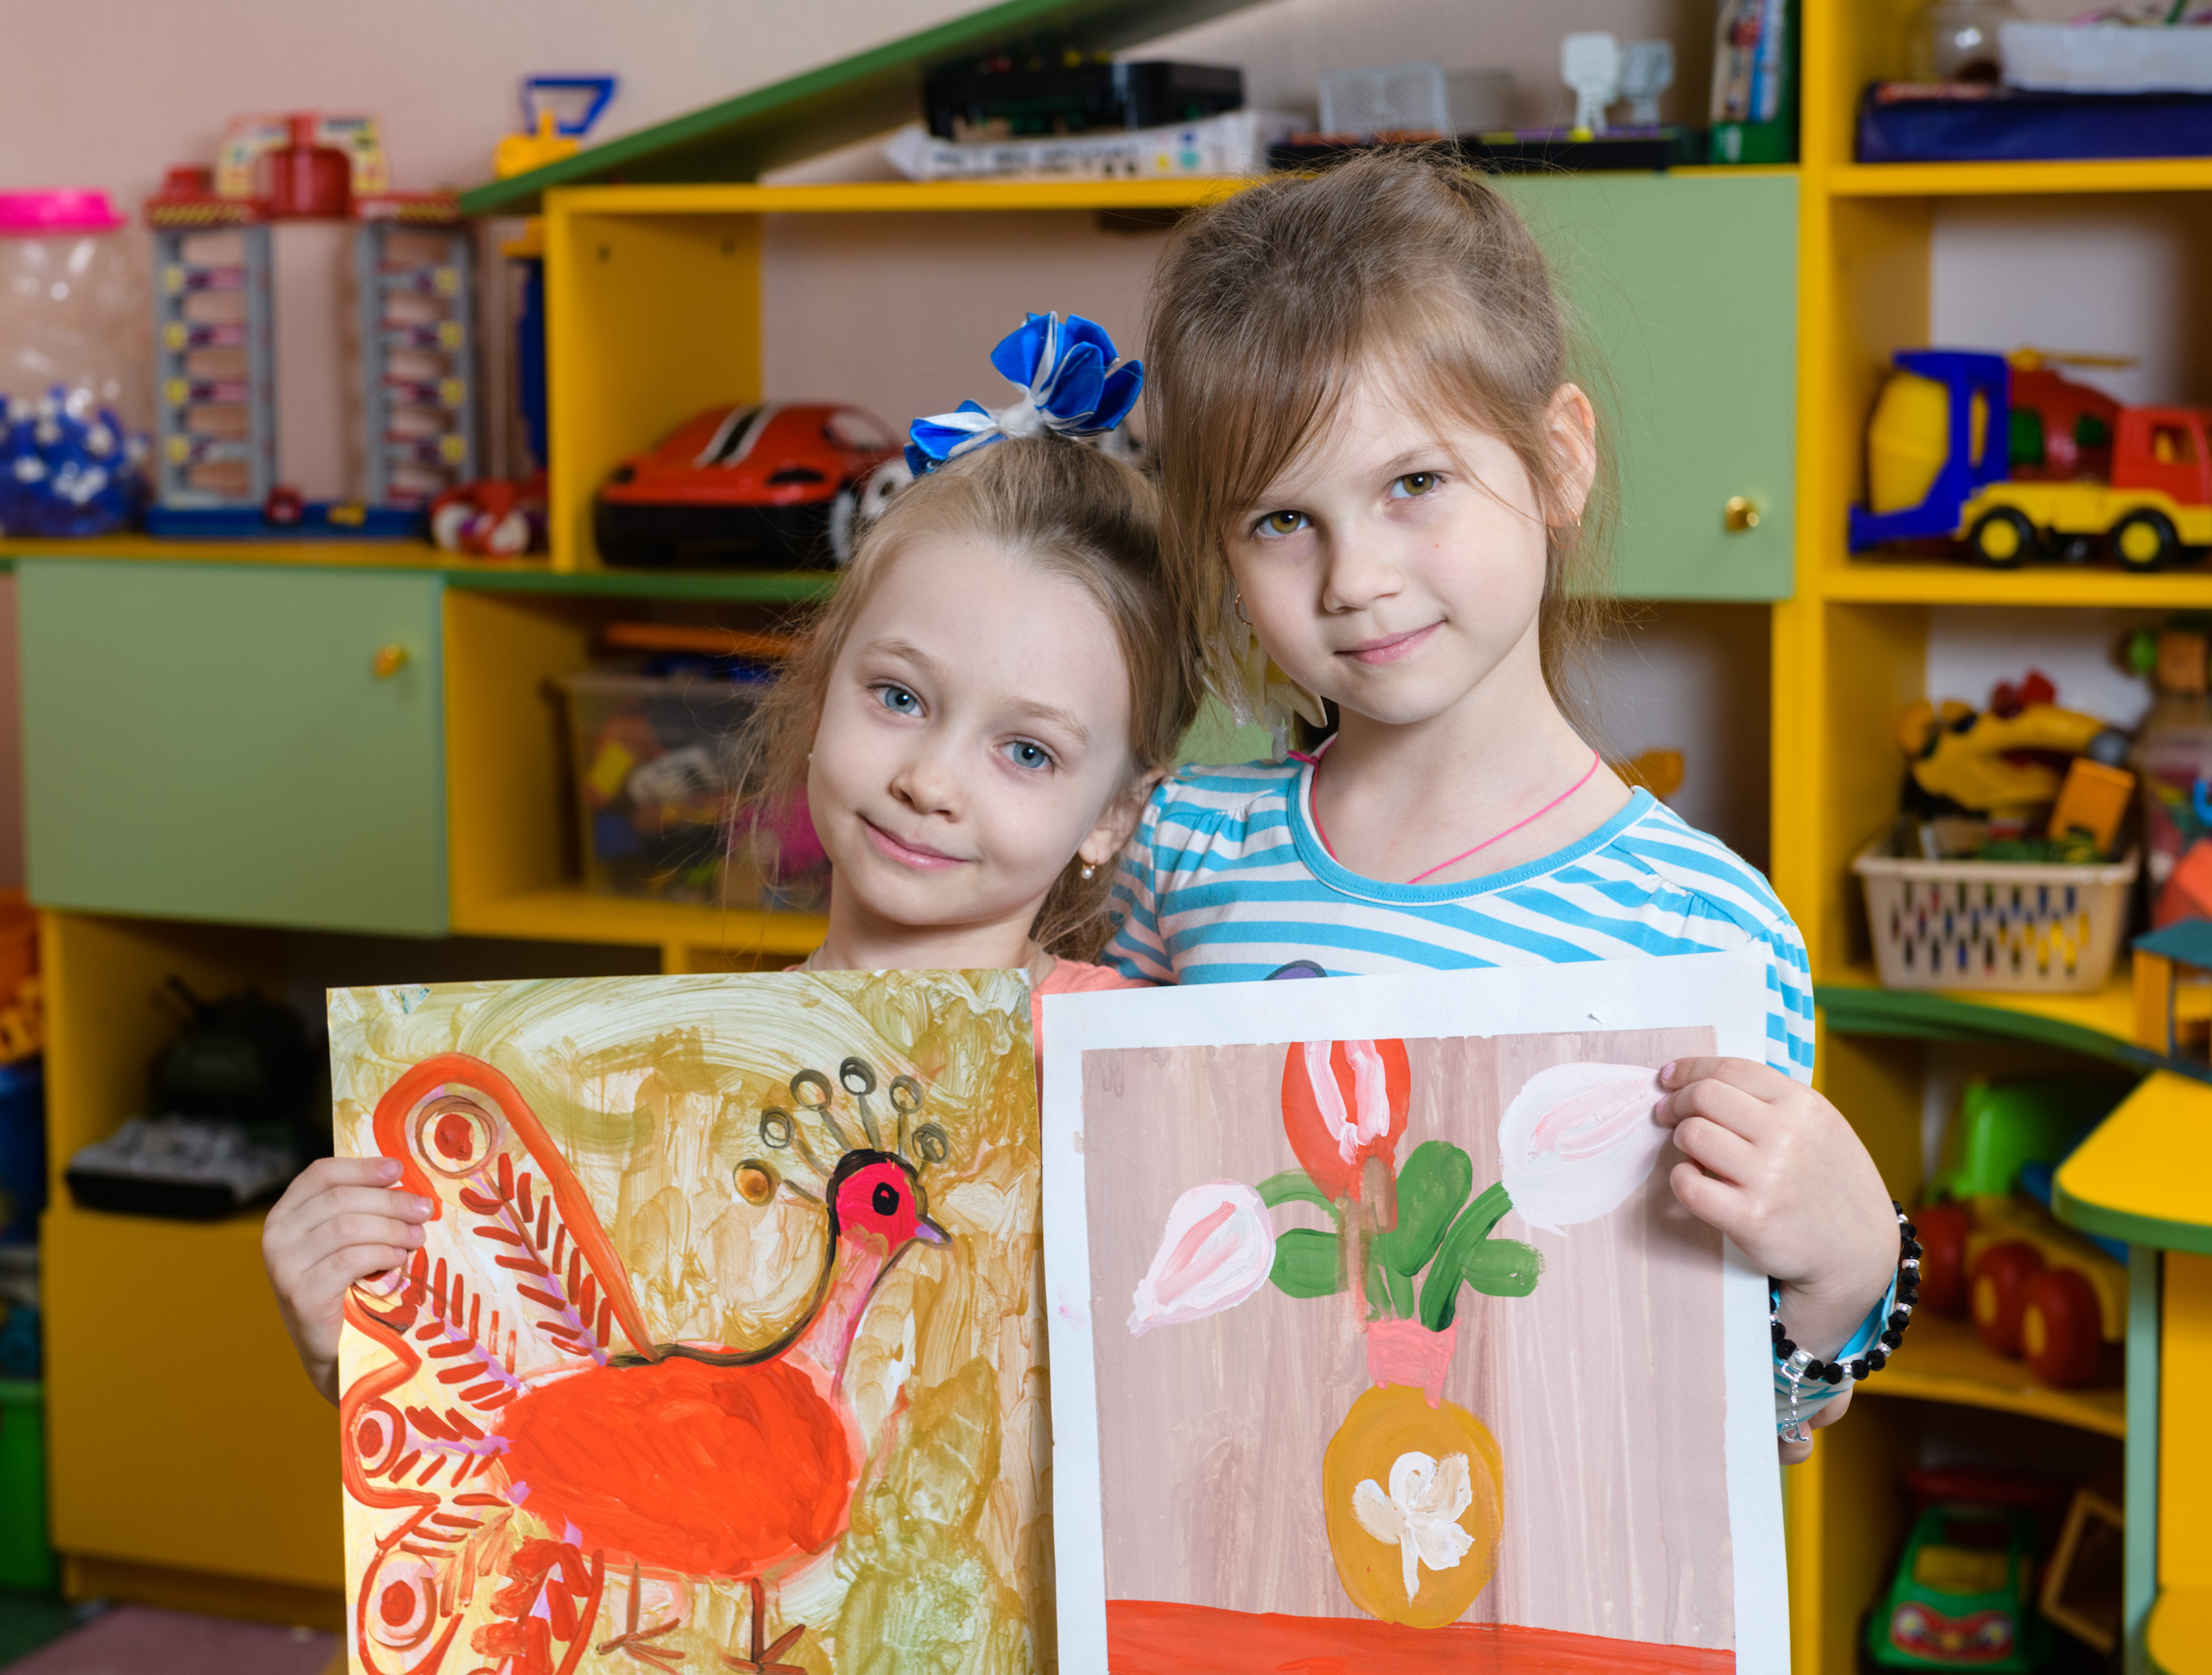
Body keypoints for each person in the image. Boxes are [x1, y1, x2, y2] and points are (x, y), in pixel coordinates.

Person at [1107, 150, 1910, 1462]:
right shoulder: (1176, 847)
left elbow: (1745, 1433)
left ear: (1556, 460)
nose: (1356, 576)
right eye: (1280, 520)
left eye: (1413, 483)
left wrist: (1847, 1264)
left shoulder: (1704, 928)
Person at [262, 313, 1195, 1400]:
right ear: (823, 677)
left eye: (1026, 751)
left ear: (1115, 817)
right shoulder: (680, 1091)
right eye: (897, 697)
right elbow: (566, 1425)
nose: (930, 782)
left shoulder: (1142, 1072)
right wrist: (356, 1340)